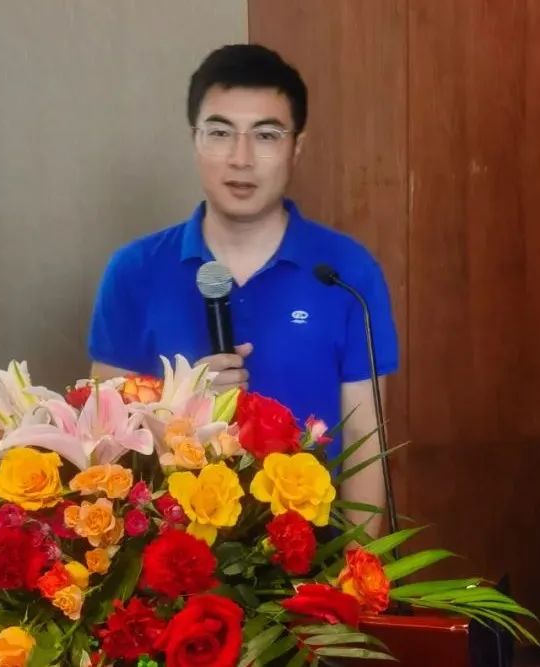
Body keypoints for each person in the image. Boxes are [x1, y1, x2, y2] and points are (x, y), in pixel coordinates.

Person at [87, 44, 398, 537]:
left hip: (312, 556)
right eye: (220, 133)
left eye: (266, 135)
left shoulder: (347, 272)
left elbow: (365, 436)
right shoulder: (133, 272)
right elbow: (102, 440)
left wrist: (357, 571)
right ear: (194, 140)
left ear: (297, 147)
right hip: (168, 559)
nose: (241, 158)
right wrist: (183, 406)